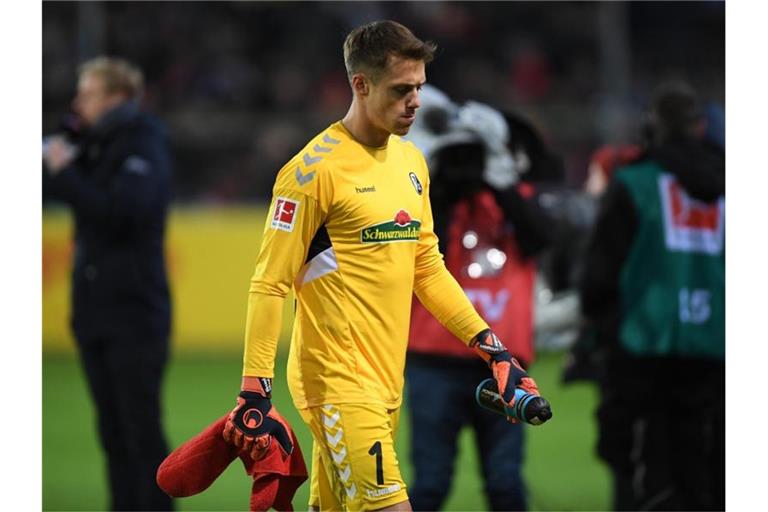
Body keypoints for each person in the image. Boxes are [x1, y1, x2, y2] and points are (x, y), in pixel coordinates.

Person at [220, 20, 541, 511]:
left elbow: (428, 269)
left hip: (387, 383)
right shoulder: (310, 173)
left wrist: (493, 350)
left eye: (418, 88)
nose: (415, 101)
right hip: (336, 384)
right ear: (360, 84)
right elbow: (269, 283)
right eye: (401, 90)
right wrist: (254, 392)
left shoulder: (411, 162)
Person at [403, 88, 555, 511]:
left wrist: (499, 175)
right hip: (435, 358)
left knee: (506, 485)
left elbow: (541, 238)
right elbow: (416, 240)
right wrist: (441, 173)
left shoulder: (515, 201)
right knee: (430, 484)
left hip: (501, 362)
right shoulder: (431, 201)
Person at [579, 81, 724, 511]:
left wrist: (597, 329)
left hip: (646, 344)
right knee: (711, 466)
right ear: (700, 127)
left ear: (652, 127)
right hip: (718, 344)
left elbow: (601, 273)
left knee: (642, 470)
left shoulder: (636, 183)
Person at [43, 56, 174, 511]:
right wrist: (67, 145)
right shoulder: (94, 143)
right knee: (113, 432)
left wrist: (66, 173)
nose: (79, 102)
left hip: (134, 311)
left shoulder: (143, 140)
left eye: (88, 93)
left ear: (117, 97)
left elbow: (125, 212)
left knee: (139, 431)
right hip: (98, 311)